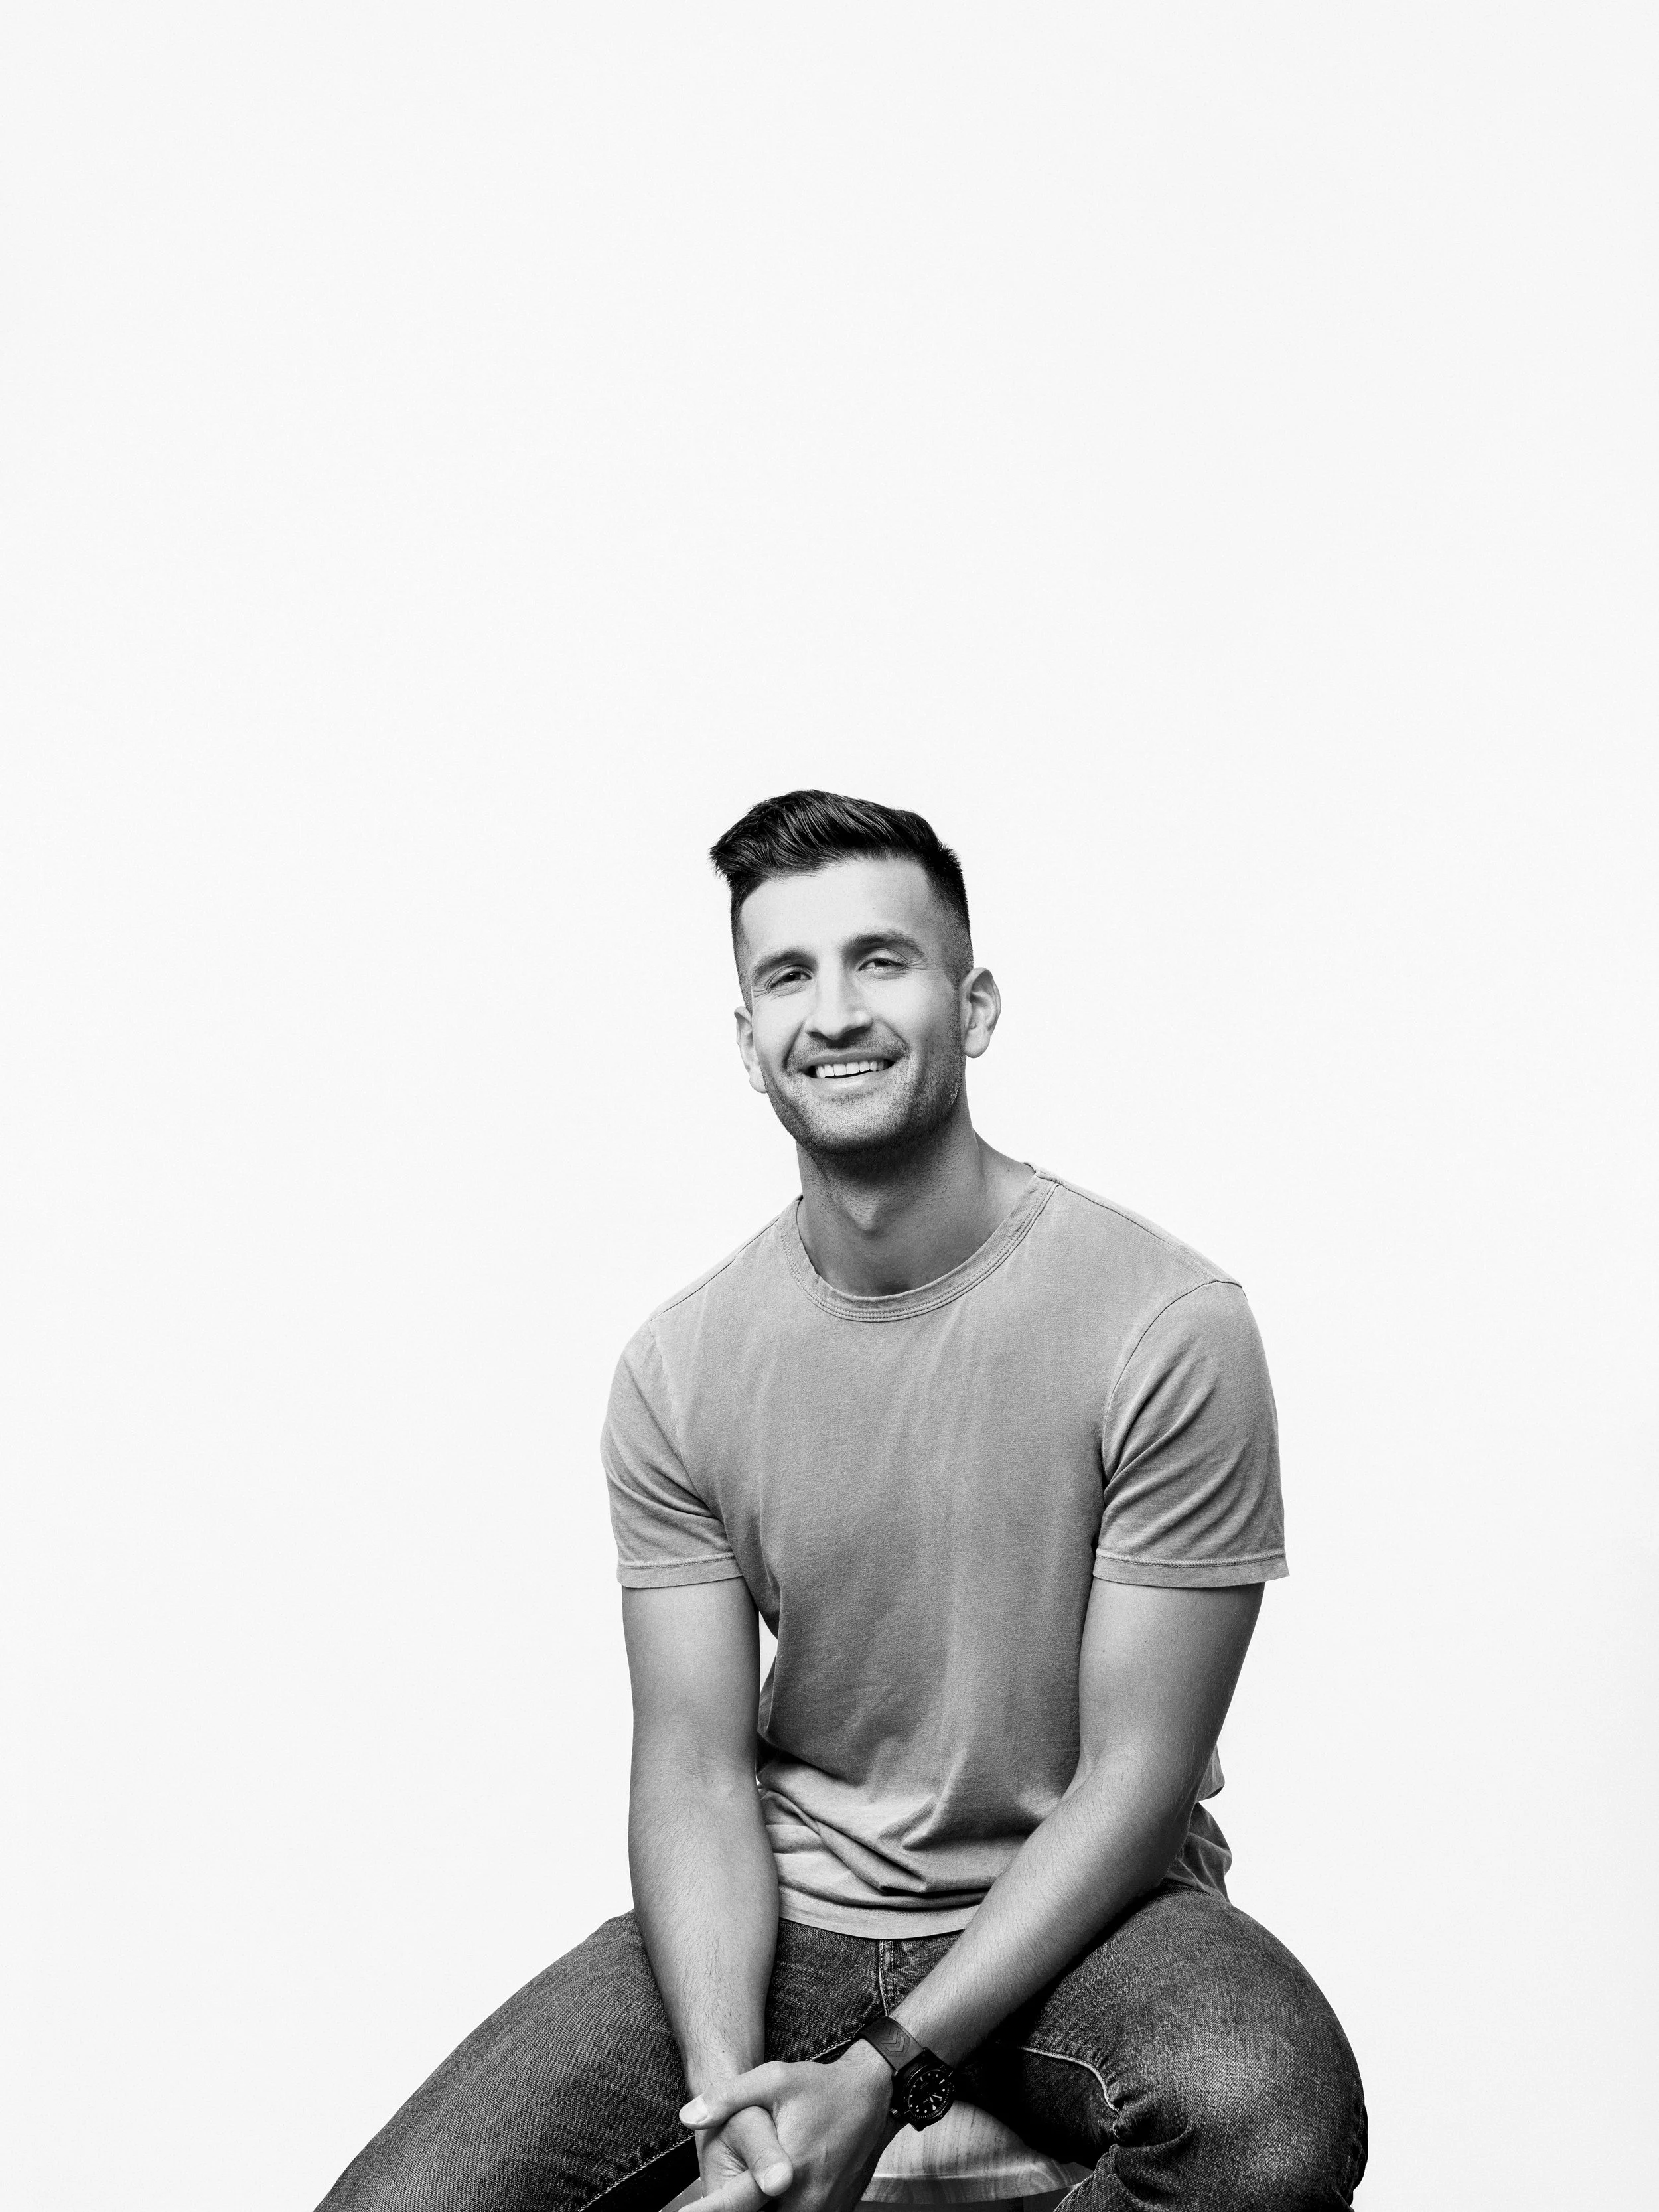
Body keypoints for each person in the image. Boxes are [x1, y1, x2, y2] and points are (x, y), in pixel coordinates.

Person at [320, 789, 1367, 2212]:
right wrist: (722, 2097)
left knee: (1268, 2108)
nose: (835, 1012)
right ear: (744, 1039)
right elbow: (691, 1765)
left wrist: (883, 2078)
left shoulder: (1161, 1325)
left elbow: (1132, 1786)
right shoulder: (683, 1367)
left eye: (881, 960)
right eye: (786, 975)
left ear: (972, 1002)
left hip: (1086, 1927)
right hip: (797, 1921)